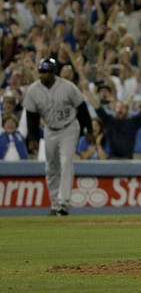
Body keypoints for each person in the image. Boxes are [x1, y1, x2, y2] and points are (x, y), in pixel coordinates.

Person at [23, 58, 93, 216]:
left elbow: (82, 108)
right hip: (49, 129)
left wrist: (88, 129)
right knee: (50, 167)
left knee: (66, 161)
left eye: (46, 72)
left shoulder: (67, 87)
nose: (43, 75)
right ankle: (55, 203)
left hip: (69, 128)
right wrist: (33, 138)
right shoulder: (33, 90)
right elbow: (31, 116)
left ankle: (63, 203)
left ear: (53, 72)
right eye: (41, 72)